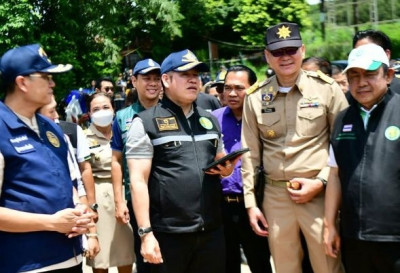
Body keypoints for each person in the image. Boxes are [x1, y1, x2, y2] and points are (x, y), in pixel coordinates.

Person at [241, 22, 348, 273]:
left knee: (327, 265)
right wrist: (250, 203)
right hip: (276, 197)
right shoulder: (255, 97)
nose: (285, 57)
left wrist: (322, 182)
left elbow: (344, 145)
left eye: (291, 49)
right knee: (285, 267)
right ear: (267, 56)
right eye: (277, 52)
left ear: (302, 50)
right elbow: (250, 153)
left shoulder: (327, 89)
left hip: (320, 195)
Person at [125, 49, 237, 273]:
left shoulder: (209, 120)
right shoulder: (145, 122)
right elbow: (137, 181)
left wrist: (226, 168)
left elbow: (219, 160)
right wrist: (146, 234)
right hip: (167, 235)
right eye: (185, 75)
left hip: (210, 231)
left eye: (196, 75)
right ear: (166, 79)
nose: (193, 80)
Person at [0, 43, 94, 273]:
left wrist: (82, 211)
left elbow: (68, 183)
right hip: (27, 264)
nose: (53, 83)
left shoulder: (51, 129)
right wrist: (51, 223)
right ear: (22, 82)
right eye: (46, 76)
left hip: (71, 258)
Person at [324, 44, 400, 273]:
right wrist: (330, 226)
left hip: (395, 237)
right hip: (354, 236)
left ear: (388, 76)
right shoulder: (342, 119)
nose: (361, 83)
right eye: (354, 76)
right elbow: (335, 175)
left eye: (370, 74)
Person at [212, 65, 273, 273]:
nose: (231, 93)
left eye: (239, 88)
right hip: (221, 206)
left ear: (253, 88)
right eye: (227, 88)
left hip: (256, 205)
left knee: (260, 262)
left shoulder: (265, 117)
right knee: (226, 264)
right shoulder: (213, 119)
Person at [111, 58, 162, 273]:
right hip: (136, 199)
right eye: (146, 78)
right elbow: (116, 160)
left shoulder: (171, 112)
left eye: (156, 79)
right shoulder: (123, 117)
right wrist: (119, 200)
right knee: (146, 256)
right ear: (134, 81)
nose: (152, 83)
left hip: (167, 197)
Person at [38, 95, 101, 261]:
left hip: (69, 243)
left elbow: (77, 184)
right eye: (51, 111)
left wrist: (92, 233)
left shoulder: (63, 137)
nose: (57, 116)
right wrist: (50, 222)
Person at [85, 93, 135, 273]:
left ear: (113, 109)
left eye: (106, 107)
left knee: (126, 252)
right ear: (89, 113)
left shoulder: (125, 131)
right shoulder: (83, 137)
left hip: (125, 192)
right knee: (101, 257)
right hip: (99, 196)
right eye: (96, 109)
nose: (102, 112)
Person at [352, 29, 400, 94]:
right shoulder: (351, 96)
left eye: (368, 52)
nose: (362, 83)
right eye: (358, 53)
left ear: (386, 54)